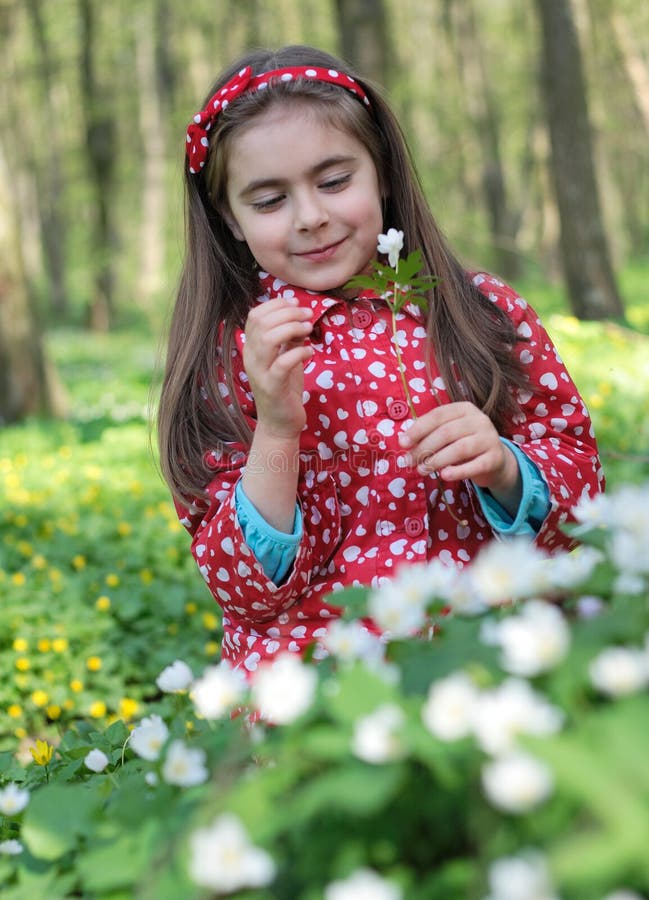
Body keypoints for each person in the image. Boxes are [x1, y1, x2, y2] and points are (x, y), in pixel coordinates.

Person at [158, 45, 604, 673]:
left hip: (485, 657)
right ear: (228, 218)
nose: (311, 217)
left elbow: (584, 494)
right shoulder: (228, 352)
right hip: (317, 686)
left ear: (384, 172)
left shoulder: (480, 311)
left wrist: (506, 468)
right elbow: (245, 592)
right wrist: (278, 428)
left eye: (335, 181)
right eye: (268, 200)